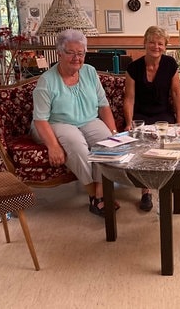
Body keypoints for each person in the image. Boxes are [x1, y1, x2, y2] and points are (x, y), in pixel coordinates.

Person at [31, 29, 119, 218]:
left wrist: (113, 133)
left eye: (81, 53)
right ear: (59, 53)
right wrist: (53, 145)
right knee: (74, 143)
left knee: (107, 143)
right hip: (54, 122)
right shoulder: (46, 81)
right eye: (71, 52)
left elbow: (103, 106)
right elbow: (40, 119)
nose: (76, 58)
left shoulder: (89, 72)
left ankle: (100, 192)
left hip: (88, 120)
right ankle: (95, 196)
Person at [123, 26, 180, 211]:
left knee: (170, 144)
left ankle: (171, 181)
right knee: (143, 147)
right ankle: (146, 191)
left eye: (160, 43)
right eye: (151, 42)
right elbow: (129, 98)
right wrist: (128, 123)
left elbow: (176, 92)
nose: (155, 46)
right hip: (141, 115)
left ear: (165, 46)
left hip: (163, 114)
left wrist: (179, 120)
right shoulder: (133, 68)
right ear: (145, 43)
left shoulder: (170, 64)